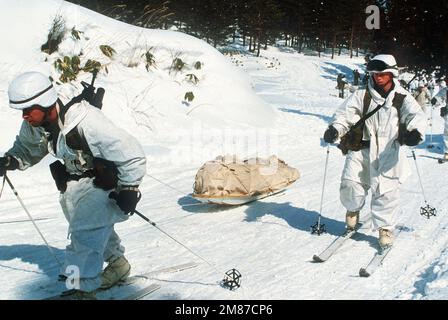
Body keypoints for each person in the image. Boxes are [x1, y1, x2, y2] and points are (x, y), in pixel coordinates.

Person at [0, 71, 147, 299]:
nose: (24, 116)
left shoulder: (85, 120)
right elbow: (27, 149)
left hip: (103, 183)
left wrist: (129, 188)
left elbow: (131, 153)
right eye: (22, 110)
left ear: (46, 102)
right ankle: (118, 266)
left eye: (29, 110)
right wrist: (10, 160)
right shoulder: (35, 125)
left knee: (84, 237)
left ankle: (83, 291)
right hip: (74, 185)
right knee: (92, 231)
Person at [323, 54, 426, 248]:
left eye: (382, 73)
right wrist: (335, 129)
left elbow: (415, 116)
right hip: (360, 149)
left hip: (388, 152)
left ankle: (385, 228)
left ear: (391, 74)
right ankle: (352, 210)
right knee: (350, 185)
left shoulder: (402, 97)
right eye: (374, 73)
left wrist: (416, 132)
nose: (377, 77)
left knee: (385, 192)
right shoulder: (362, 94)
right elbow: (345, 115)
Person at [431, 78, 448, 160]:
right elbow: (439, 97)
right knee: (447, 134)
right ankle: (447, 154)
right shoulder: (446, 89)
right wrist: (435, 100)